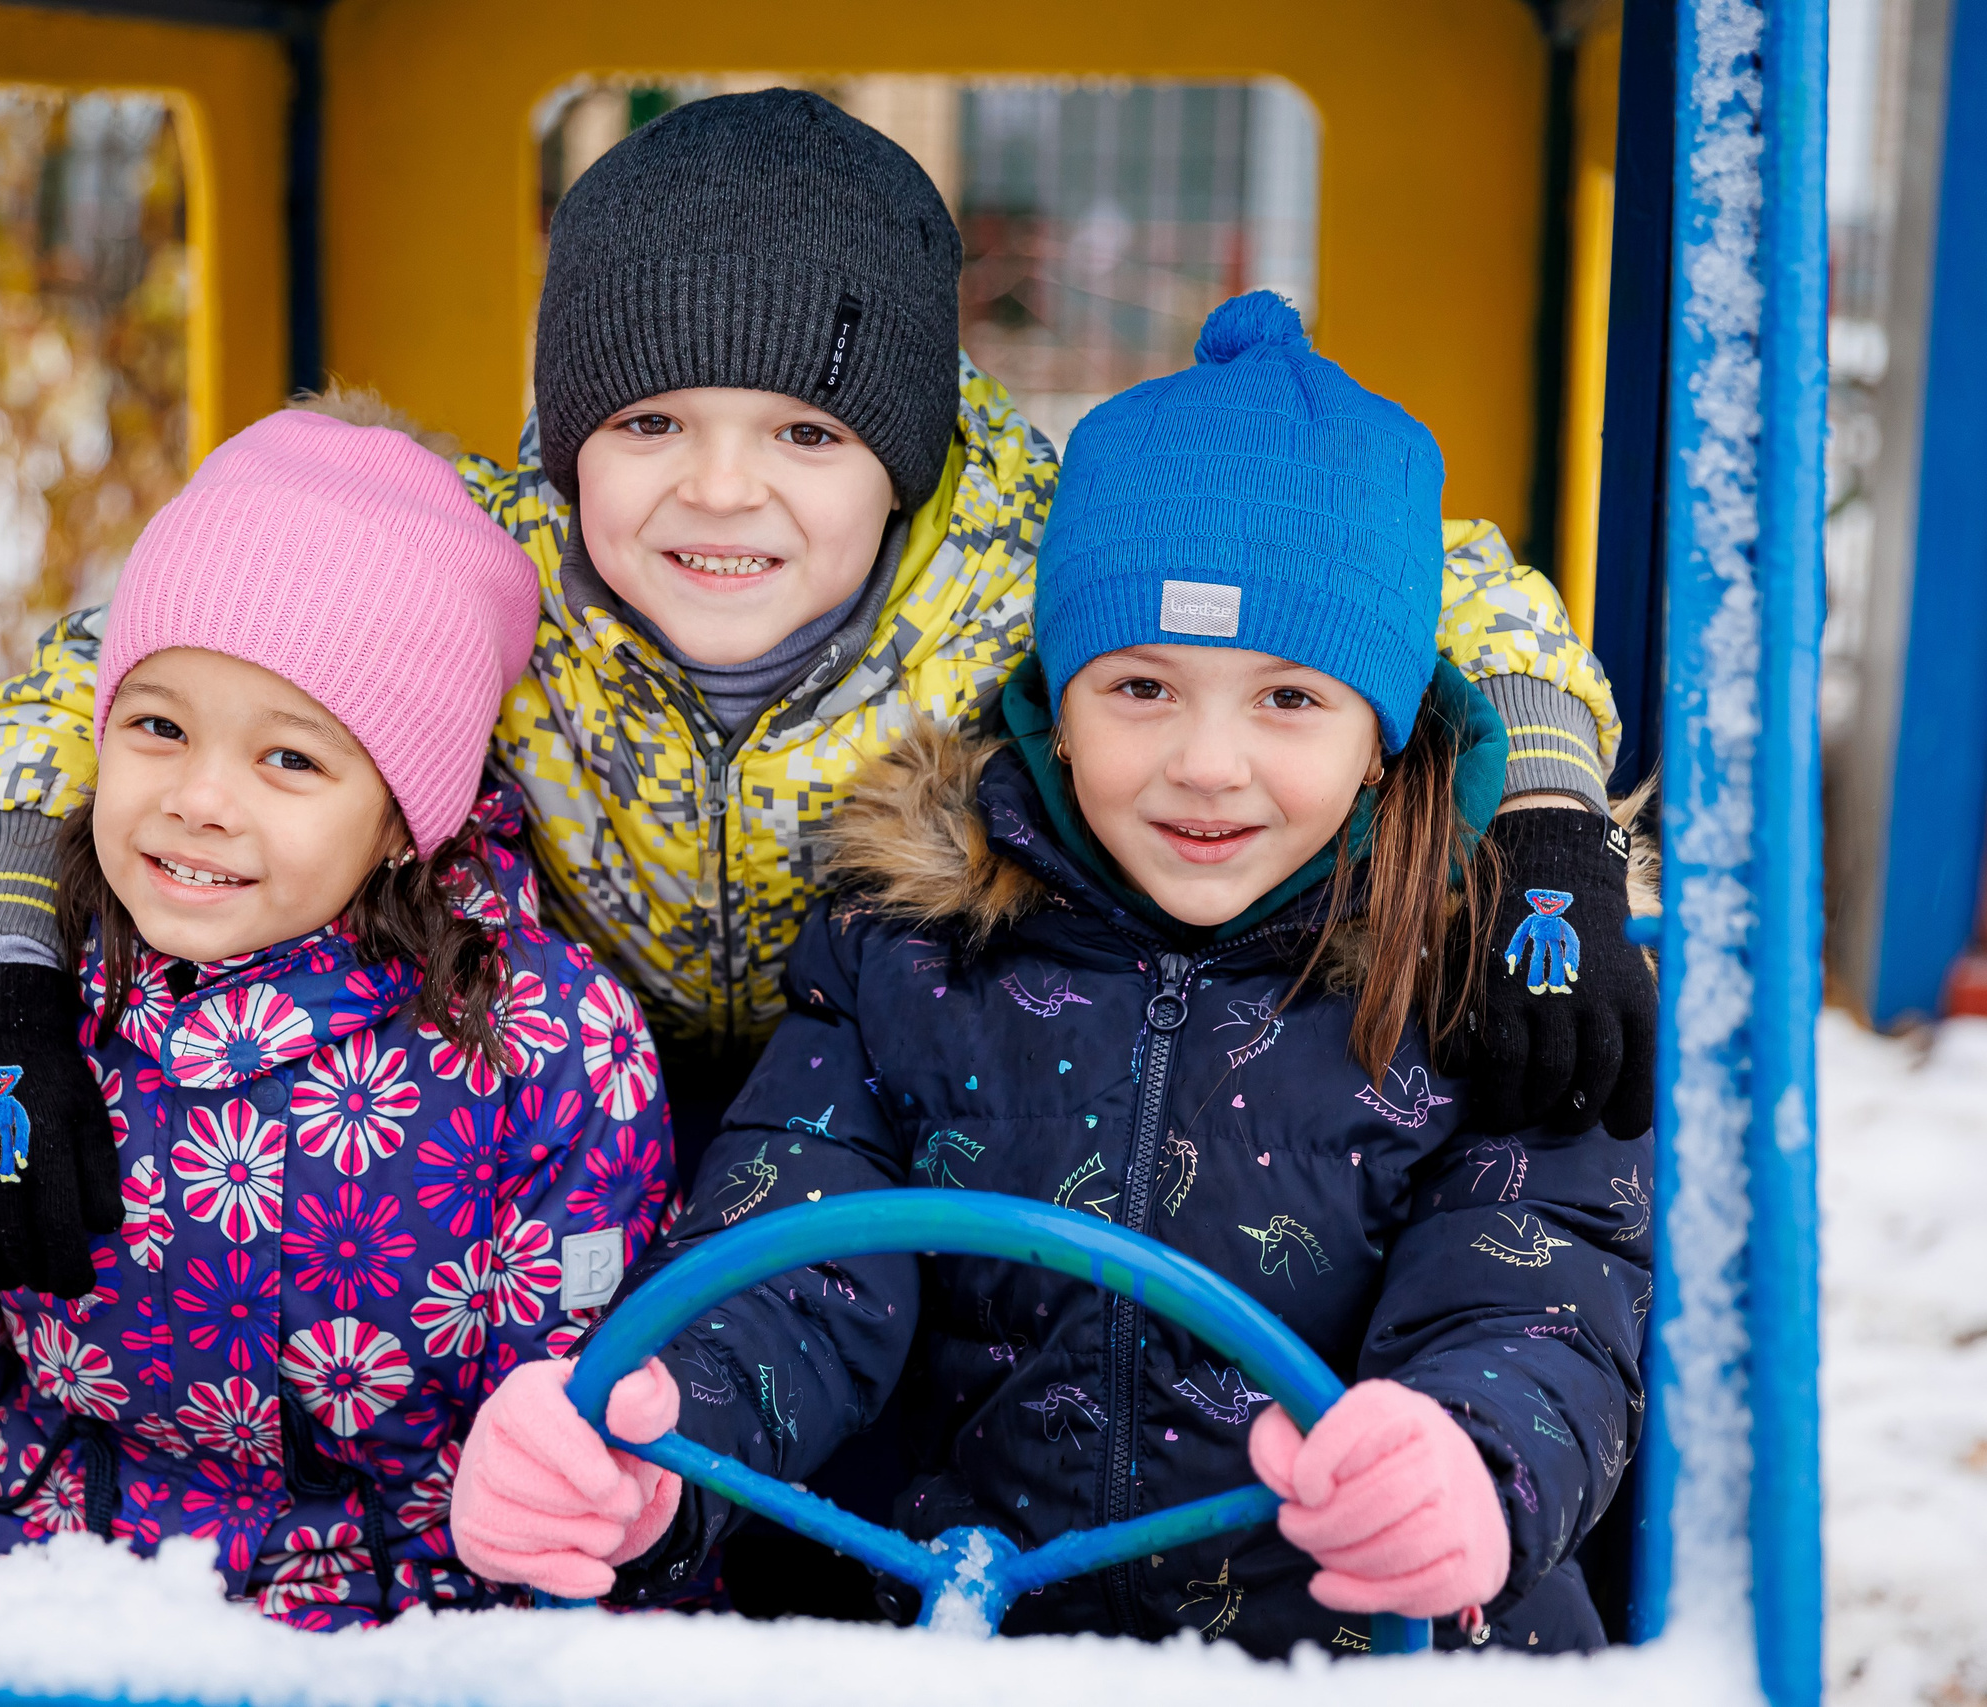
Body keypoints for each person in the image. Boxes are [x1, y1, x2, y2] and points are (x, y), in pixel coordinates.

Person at [0, 89, 1649, 1332]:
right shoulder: (471, 570)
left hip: (917, 1156)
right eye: (649, 426)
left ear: (892, 456)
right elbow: (92, 686)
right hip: (560, 1163)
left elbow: (1438, 585)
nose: (719, 495)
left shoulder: (1028, 556)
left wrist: (1552, 823)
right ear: (567, 430)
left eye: (806, 434)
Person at [450, 295, 1652, 1654]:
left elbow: (1543, 1284)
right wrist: (662, 1429)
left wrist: (1469, 1461)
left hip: (1353, 1652)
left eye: (1290, 698)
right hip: (953, 1631)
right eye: (1139, 686)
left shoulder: (1490, 978)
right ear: (1055, 705)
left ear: (1385, 734)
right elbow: (790, 1246)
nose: (1207, 762)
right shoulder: (911, 943)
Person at [0, 405, 677, 1626]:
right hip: (43, 1610)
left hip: (393, 1639)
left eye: (289, 760)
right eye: (157, 727)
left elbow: (578, 1437)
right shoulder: (35, 1013)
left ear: (410, 814)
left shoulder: (544, 1051)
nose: (198, 798)